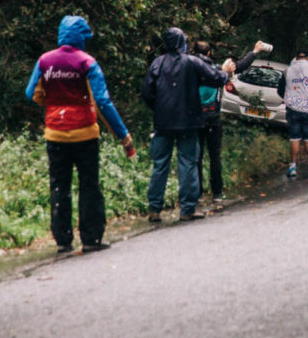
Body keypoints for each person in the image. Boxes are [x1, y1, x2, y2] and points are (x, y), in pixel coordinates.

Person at [25, 15, 136, 254]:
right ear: (83, 37)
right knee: (89, 185)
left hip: (55, 133)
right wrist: (123, 135)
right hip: (85, 134)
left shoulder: (45, 61)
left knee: (59, 186)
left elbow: (31, 93)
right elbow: (103, 102)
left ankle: (63, 240)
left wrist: (54, 103)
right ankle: (90, 238)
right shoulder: (87, 62)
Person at [142, 27, 230, 223]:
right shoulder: (191, 62)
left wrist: (159, 109)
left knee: (160, 165)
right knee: (188, 163)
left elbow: (147, 93)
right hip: (189, 122)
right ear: (182, 42)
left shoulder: (157, 63)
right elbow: (216, 78)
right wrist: (226, 72)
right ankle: (187, 209)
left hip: (163, 122)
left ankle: (154, 209)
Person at [194, 38, 269, 200]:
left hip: (195, 119)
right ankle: (217, 193)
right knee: (215, 156)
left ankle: (197, 193)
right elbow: (240, 66)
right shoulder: (217, 70)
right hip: (213, 118)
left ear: (194, 53)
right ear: (209, 53)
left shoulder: (189, 70)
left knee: (196, 157)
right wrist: (255, 51)